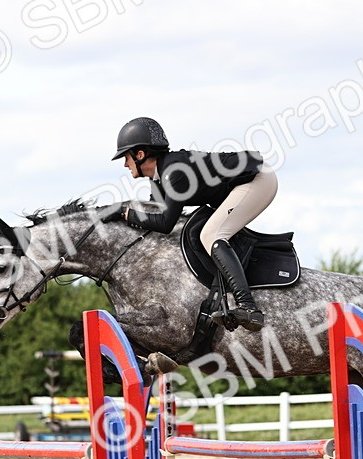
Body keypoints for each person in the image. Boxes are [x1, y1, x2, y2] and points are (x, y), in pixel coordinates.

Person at [112, 117, 276, 331]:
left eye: (126, 157)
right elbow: (153, 213)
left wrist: (124, 213)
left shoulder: (173, 172)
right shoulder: (158, 178)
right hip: (238, 186)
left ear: (140, 154)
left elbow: (165, 223)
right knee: (195, 233)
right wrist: (115, 214)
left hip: (257, 180)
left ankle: (249, 308)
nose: (125, 164)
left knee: (211, 235)